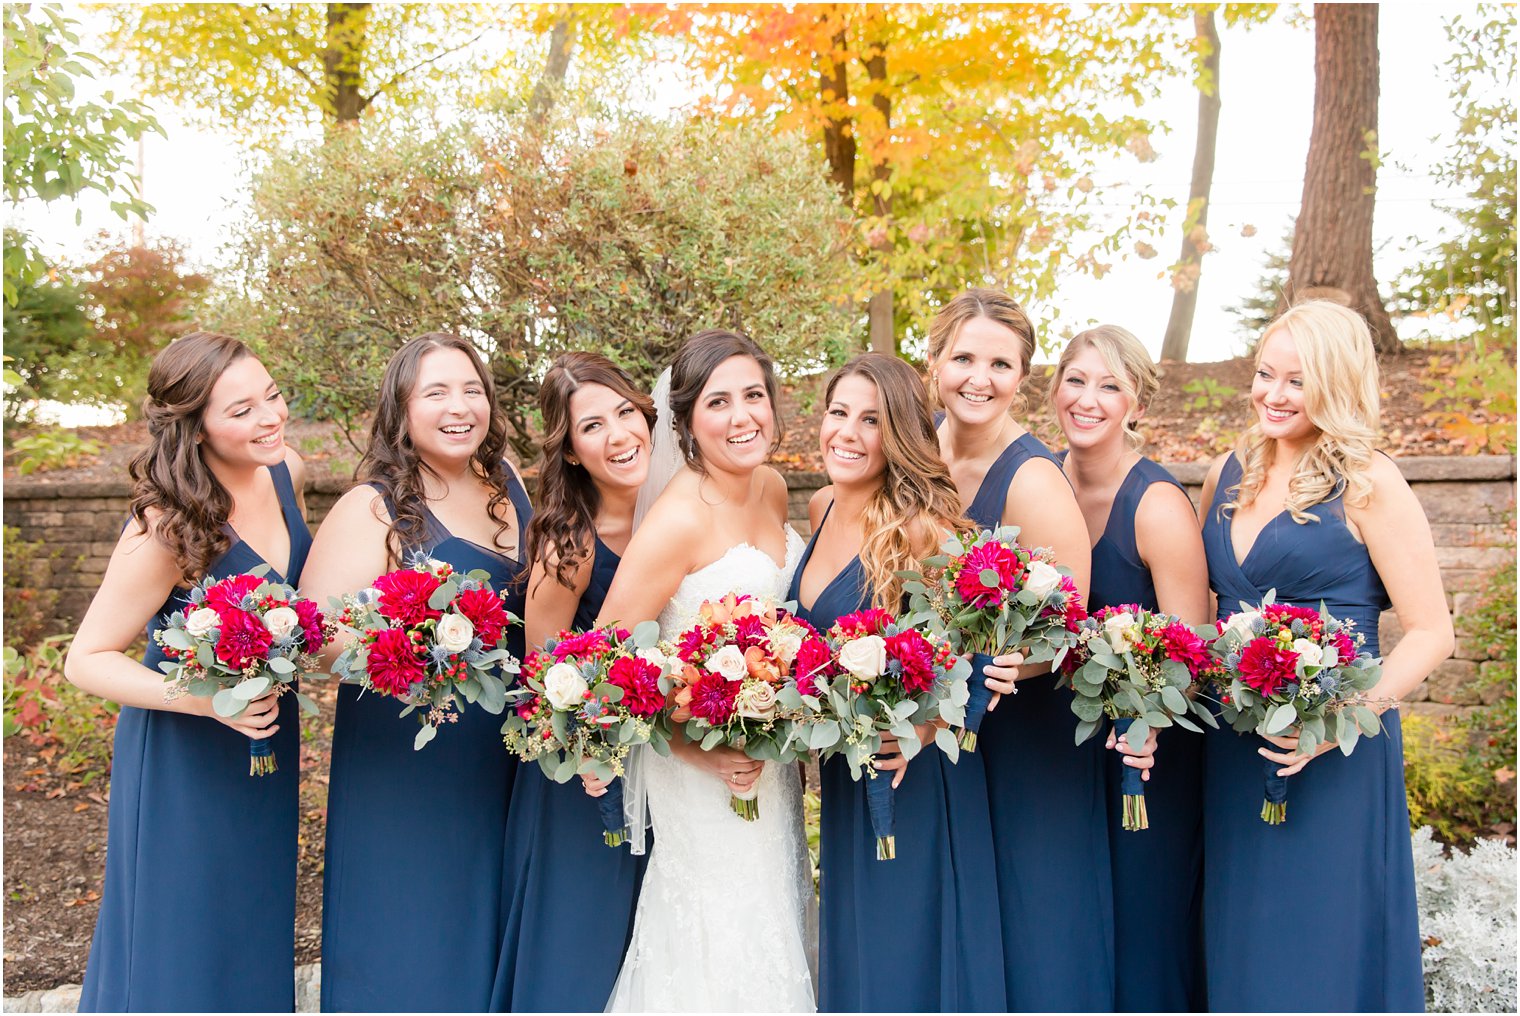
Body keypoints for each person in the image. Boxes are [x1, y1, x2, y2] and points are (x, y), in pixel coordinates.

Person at [1198, 300, 1450, 1011]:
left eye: (1296, 381)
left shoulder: (1371, 483)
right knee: (1241, 932)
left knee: (1319, 936)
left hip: (1335, 751)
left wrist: (1336, 721)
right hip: (1234, 741)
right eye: (1264, 374)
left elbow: (1433, 631)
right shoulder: (1229, 473)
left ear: (1335, 385)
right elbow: (1206, 609)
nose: (1272, 395)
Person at [65, 332, 308, 1012]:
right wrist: (206, 704)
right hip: (184, 752)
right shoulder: (164, 526)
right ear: (194, 426)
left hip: (264, 741)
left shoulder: (285, 468)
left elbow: (294, 602)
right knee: (183, 936)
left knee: (252, 919)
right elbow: (84, 659)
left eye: (273, 396)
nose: (269, 418)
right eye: (241, 410)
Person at [301, 333, 532, 1012]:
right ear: (402, 410)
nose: (460, 407)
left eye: (471, 390)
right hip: (408, 762)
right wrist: (417, 646)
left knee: (488, 931)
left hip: (505, 754)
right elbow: (316, 637)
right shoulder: (372, 508)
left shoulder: (508, 484)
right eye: (436, 392)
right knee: (412, 939)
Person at [595, 329, 815, 1012]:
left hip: (766, 761)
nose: (743, 416)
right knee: (713, 933)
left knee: (772, 911)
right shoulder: (677, 519)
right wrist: (697, 748)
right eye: (719, 402)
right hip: (699, 769)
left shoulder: (773, 489)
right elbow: (606, 661)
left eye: (754, 395)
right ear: (688, 421)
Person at [788, 353, 1006, 1012]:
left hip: (916, 779)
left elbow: (982, 656)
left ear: (903, 433)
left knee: (908, 957)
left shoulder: (920, 530)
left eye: (871, 421)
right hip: (851, 776)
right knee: (861, 953)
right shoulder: (823, 505)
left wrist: (924, 724)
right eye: (838, 413)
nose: (847, 433)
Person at [927, 287, 1113, 1010]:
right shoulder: (917, 453)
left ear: (1022, 378)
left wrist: (1015, 663)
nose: (980, 377)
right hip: (940, 724)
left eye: (1000, 364)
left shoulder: (1033, 478)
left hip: (1025, 732)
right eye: (964, 357)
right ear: (934, 361)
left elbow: (1073, 619)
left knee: (1034, 917)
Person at [1049, 325, 1209, 1011]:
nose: (1088, 399)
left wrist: (1148, 719)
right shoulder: (1040, 483)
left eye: (1110, 386)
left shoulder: (1159, 506)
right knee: (1067, 927)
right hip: (1054, 748)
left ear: (1137, 404)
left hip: (1141, 754)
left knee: (1142, 931)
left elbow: (1194, 650)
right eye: (1077, 380)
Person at [491, 352, 654, 1012]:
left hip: (672, 768)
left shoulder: (684, 508)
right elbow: (541, 678)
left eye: (624, 412)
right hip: (589, 781)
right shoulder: (569, 544)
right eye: (592, 427)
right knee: (583, 955)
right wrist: (588, 750)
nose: (617, 435)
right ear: (572, 451)